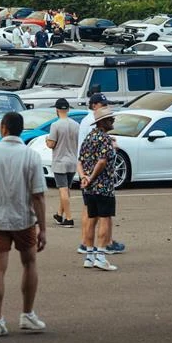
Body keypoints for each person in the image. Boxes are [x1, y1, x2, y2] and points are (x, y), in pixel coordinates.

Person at [0, 111, 48, 337]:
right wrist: (43, 228)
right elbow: (38, 195)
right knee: (29, 263)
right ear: (21, 130)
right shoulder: (31, 156)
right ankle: (27, 315)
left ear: (3, 128)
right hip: (24, 219)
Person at [76, 105, 118, 271]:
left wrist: (84, 178)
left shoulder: (89, 137)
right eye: (110, 119)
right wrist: (92, 177)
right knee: (105, 218)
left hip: (88, 187)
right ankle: (100, 256)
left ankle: (89, 255)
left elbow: (79, 161)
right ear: (103, 122)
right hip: (103, 186)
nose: (113, 121)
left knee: (91, 219)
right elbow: (102, 161)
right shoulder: (105, 139)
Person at [45, 98, 79, 227]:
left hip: (60, 161)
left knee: (63, 190)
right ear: (68, 109)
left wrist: (47, 140)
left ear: (57, 110)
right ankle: (59, 214)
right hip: (72, 160)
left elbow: (51, 144)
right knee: (67, 189)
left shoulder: (56, 125)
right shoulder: (76, 125)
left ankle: (69, 218)